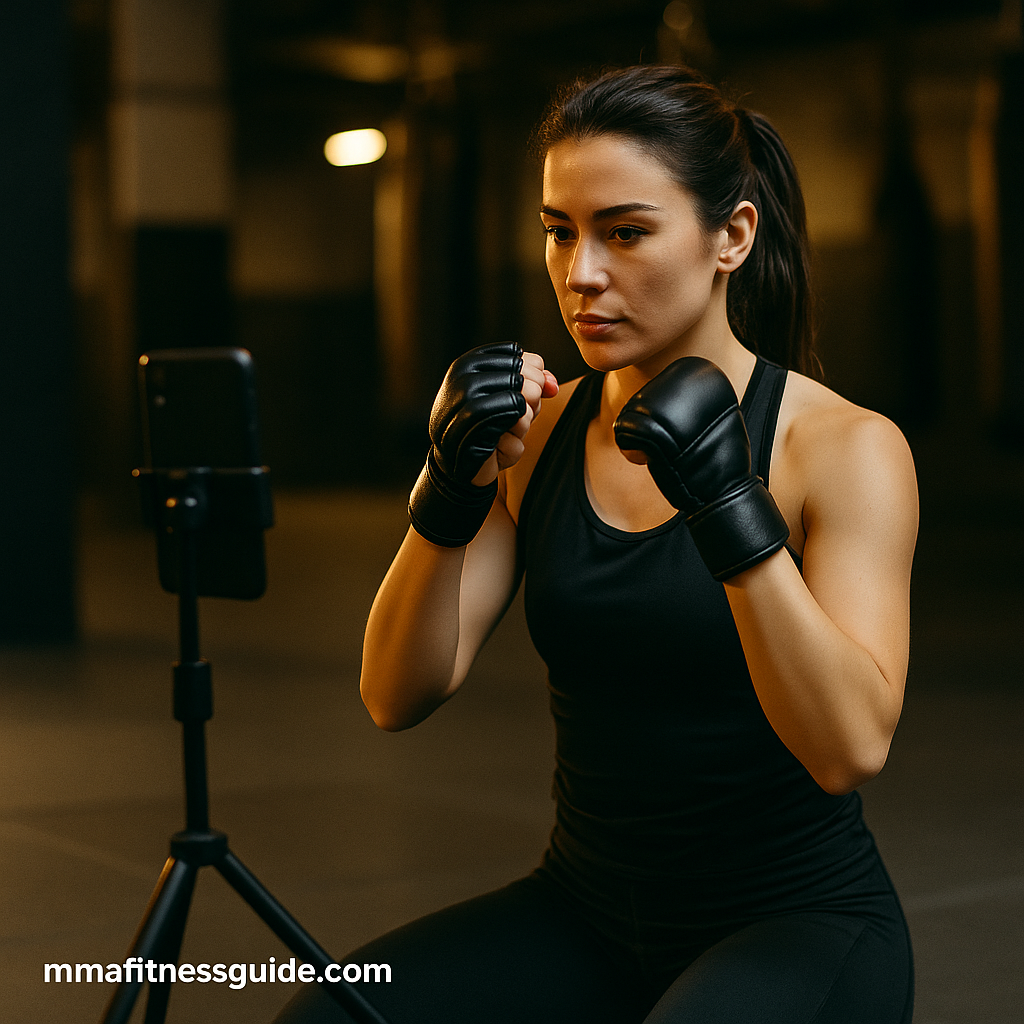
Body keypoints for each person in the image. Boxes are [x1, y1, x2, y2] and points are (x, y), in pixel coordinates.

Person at [274, 63, 917, 1024]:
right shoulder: (539, 438)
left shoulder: (844, 449)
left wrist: (727, 507)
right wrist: (448, 493)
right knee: (324, 1019)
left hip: (798, 924)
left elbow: (849, 748)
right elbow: (394, 693)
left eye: (625, 231)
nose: (581, 273)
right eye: (558, 231)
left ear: (731, 236)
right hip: (584, 911)